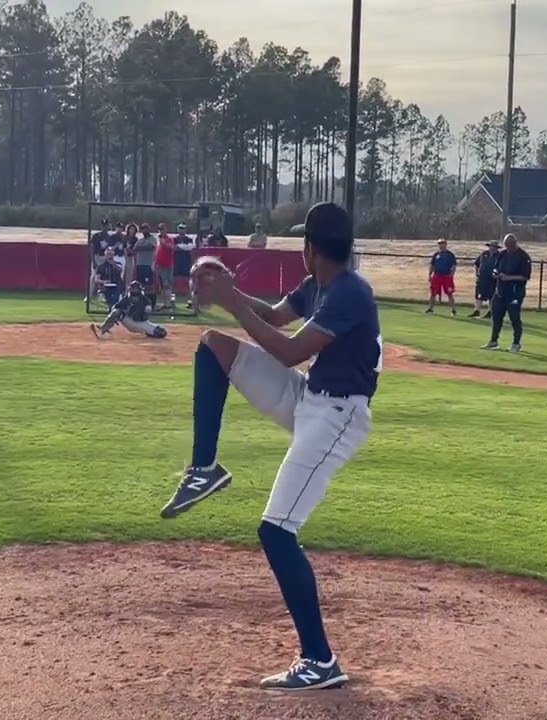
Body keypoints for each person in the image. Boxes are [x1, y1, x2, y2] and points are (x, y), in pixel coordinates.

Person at [160, 201, 380, 692]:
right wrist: (227, 293)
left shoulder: (350, 293)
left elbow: (288, 350)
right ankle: (204, 469)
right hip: (309, 396)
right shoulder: (318, 285)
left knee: (277, 532)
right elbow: (275, 319)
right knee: (214, 346)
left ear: (312, 248)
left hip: (338, 418)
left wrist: (231, 299)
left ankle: (320, 661)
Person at [483, 234, 532, 352]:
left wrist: (508, 277)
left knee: (514, 318)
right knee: (496, 317)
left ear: (515, 243)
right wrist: (496, 274)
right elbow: (496, 268)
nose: (508, 247)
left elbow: (525, 276)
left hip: (514, 293)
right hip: (500, 291)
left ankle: (516, 343)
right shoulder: (502, 254)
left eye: (510, 245)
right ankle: (493, 341)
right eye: (506, 245)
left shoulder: (523, 256)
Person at [89, 280, 168, 339]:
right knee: (117, 311)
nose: (134, 290)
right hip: (129, 321)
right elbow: (115, 307)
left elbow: (148, 308)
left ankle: (149, 333)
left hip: (141, 323)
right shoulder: (127, 298)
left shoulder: (144, 299)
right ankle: (103, 329)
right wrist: (115, 316)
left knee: (162, 333)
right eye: (133, 288)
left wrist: (147, 309)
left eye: (136, 289)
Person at [425, 238, 457, 315]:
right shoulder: (436, 255)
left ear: (445, 244)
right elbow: (432, 265)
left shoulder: (450, 255)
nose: (441, 245)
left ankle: (453, 310)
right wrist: (430, 275)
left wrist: (451, 274)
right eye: (439, 244)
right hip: (437, 276)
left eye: (442, 244)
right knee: (433, 293)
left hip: (446, 276)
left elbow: (454, 265)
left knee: (449, 293)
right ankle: (431, 308)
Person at [470, 240, 500, 318]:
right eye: (491, 246)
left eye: (494, 247)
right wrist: (477, 274)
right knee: (479, 295)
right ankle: (477, 311)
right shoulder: (484, 254)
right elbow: (476, 264)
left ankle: (491, 312)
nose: (492, 248)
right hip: (482, 278)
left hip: (493, 279)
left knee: (491, 296)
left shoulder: (499, 256)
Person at [153, 223, 176, 308]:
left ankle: (168, 304)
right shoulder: (159, 240)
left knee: (167, 285)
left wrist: (164, 243)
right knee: (162, 285)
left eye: (162, 229)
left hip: (167, 265)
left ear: (166, 229)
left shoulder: (169, 239)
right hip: (159, 265)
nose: (161, 231)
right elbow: (157, 252)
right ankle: (165, 303)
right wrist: (155, 262)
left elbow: (172, 248)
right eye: (159, 229)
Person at [133, 224, 157, 289]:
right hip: (139, 264)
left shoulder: (152, 239)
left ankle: (149, 295)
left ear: (149, 229)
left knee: (148, 283)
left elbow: (151, 247)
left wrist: (141, 248)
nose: (144, 230)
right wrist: (144, 247)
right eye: (143, 229)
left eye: (146, 228)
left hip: (148, 264)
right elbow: (135, 248)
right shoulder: (140, 240)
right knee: (140, 283)